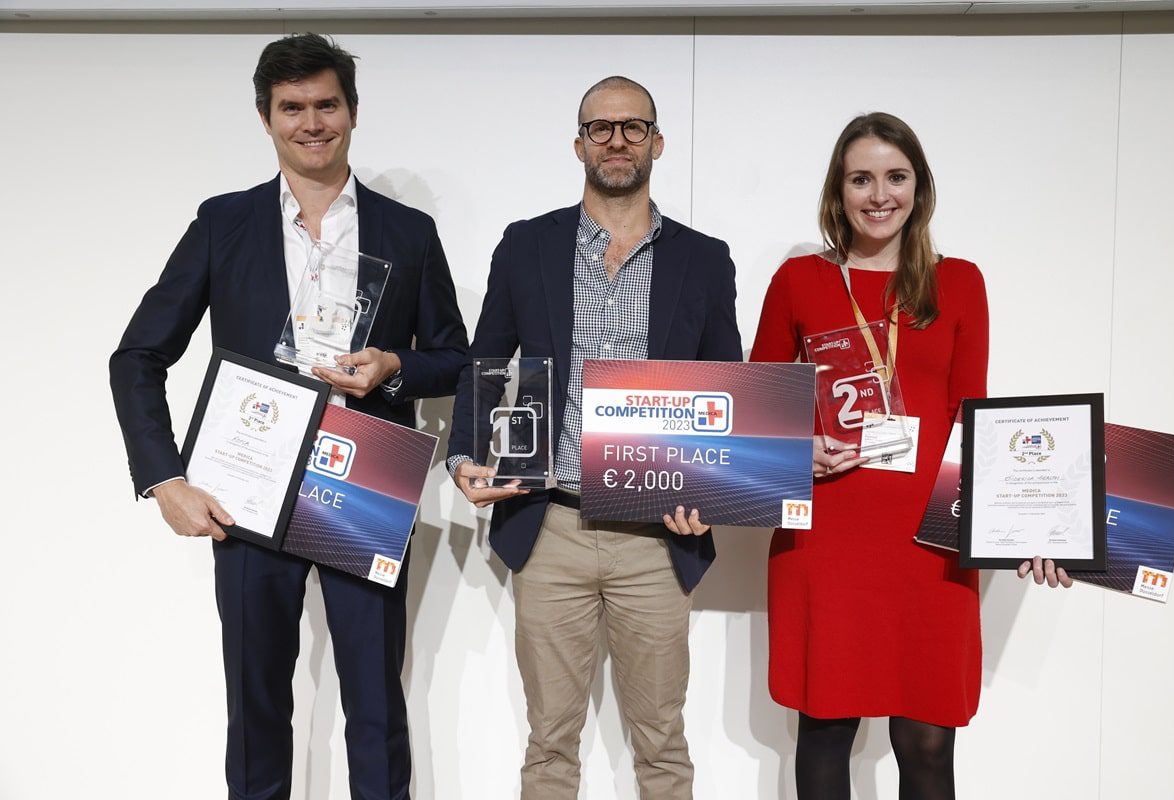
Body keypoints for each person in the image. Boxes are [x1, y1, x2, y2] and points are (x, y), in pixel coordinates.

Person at [109, 33, 468, 800]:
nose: (312, 123)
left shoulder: (408, 232)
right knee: (256, 708)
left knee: (376, 707)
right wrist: (164, 479)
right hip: (247, 483)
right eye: (292, 108)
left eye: (326, 105)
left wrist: (395, 365)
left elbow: (457, 358)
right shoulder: (223, 223)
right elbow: (136, 356)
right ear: (266, 118)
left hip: (363, 476)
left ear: (354, 112)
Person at [749, 112, 1070, 800]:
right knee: (826, 732)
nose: (878, 194)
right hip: (826, 538)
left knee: (926, 743)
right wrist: (795, 448)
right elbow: (756, 414)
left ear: (919, 189)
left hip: (930, 545)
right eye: (860, 179)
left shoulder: (960, 284)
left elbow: (974, 420)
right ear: (838, 193)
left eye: (895, 177)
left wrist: (1036, 527)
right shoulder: (799, 281)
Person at [444, 76, 741, 799]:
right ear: (579, 143)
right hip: (552, 525)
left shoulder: (704, 259)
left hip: (656, 534)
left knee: (662, 744)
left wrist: (712, 490)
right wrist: (462, 455)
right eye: (600, 128)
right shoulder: (525, 246)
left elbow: (725, 385)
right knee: (549, 744)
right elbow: (488, 361)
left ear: (657, 143)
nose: (616, 140)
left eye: (633, 127)